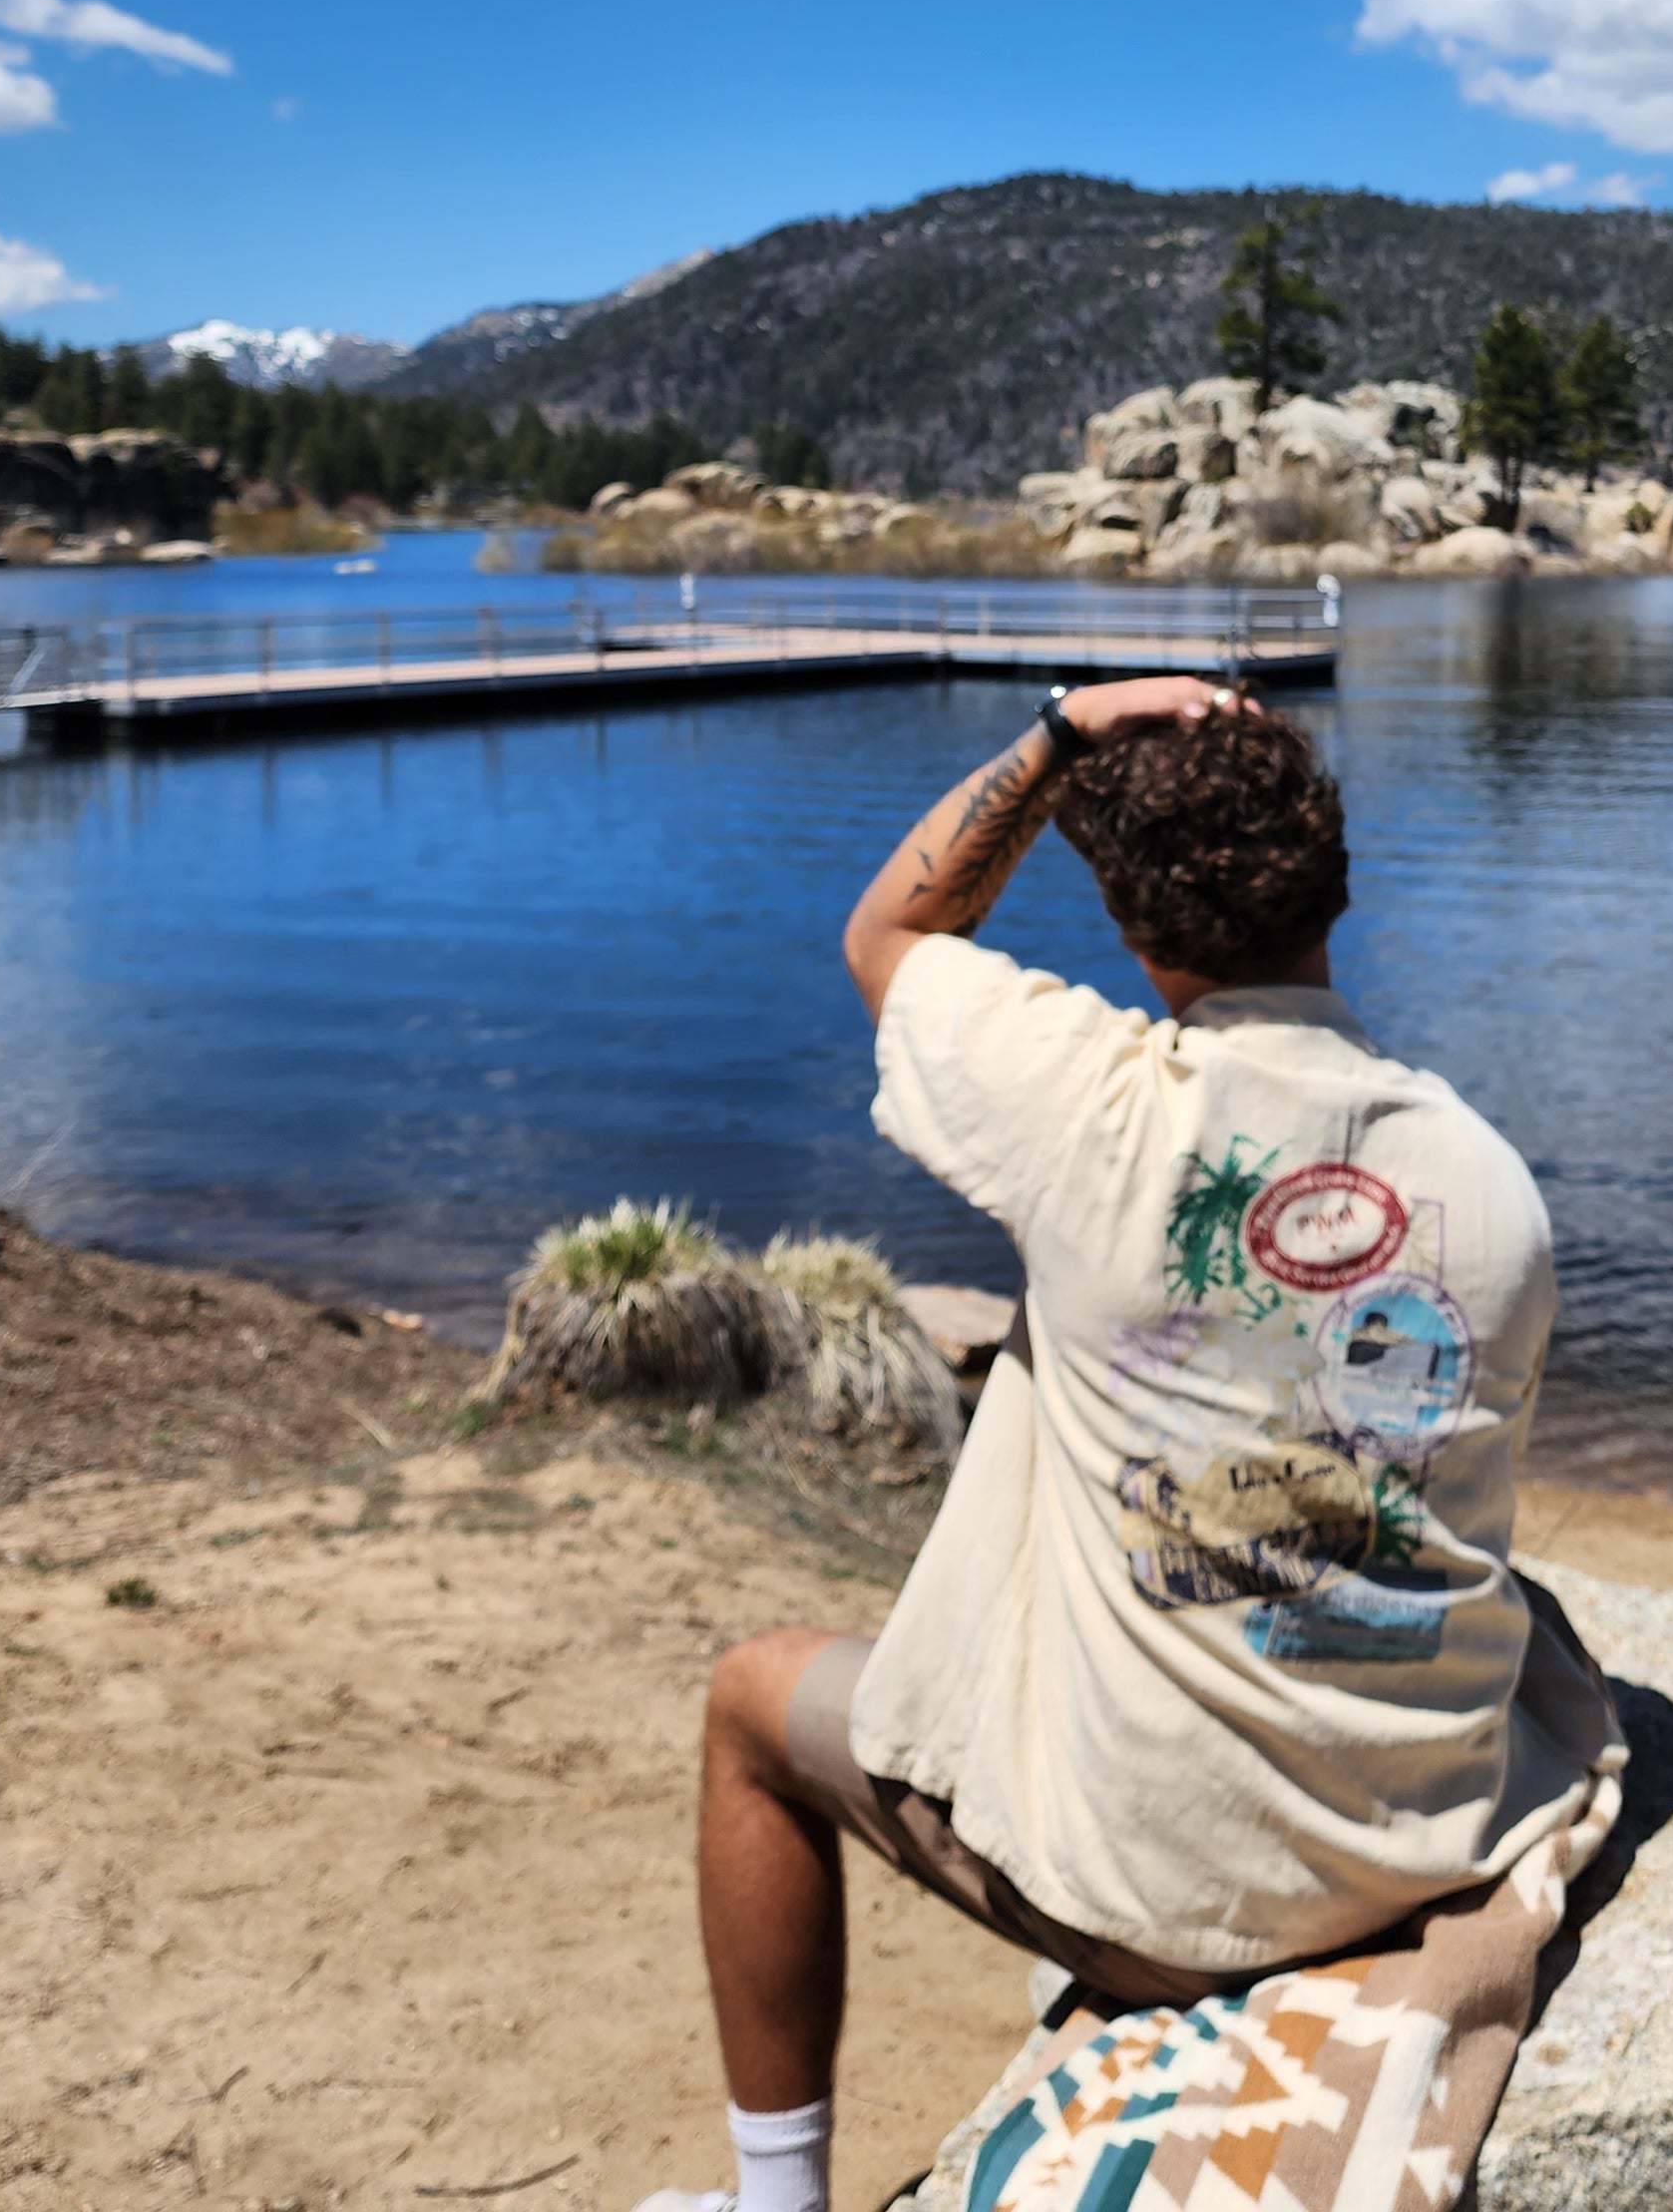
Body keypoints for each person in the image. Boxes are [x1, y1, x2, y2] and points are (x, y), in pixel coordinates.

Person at [647, 676, 1606, 2212]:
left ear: (1134, 928)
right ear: (1333, 883)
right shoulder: (1490, 1186)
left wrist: (1056, 733)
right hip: (1421, 1852)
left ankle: (776, 2202)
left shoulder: (1087, 1110)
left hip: (1165, 1909)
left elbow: (889, 934)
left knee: (751, 1706)